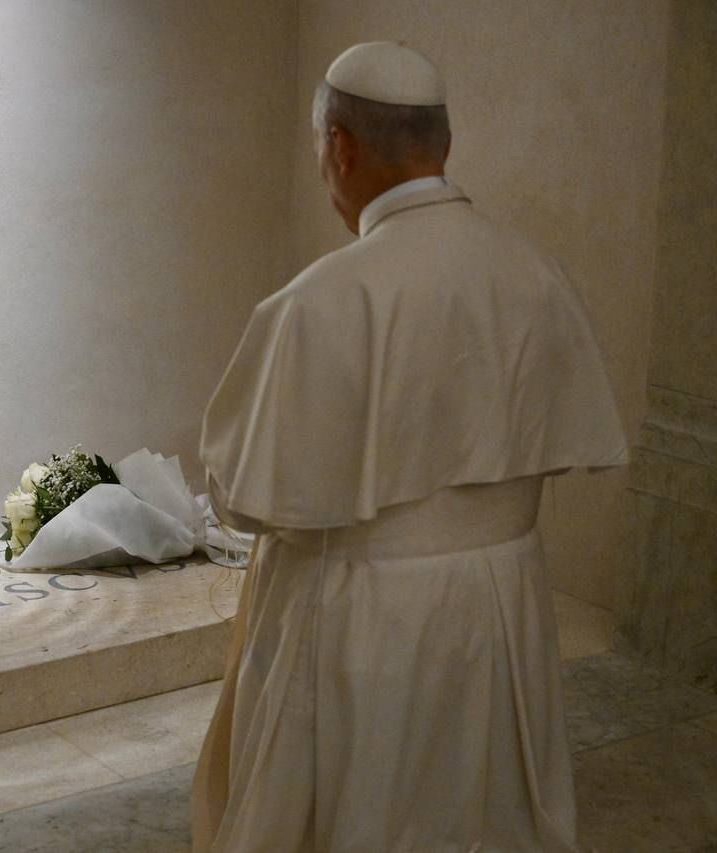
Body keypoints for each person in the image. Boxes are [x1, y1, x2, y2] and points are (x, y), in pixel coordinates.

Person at [191, 42, 627, 852]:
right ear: (442, 145)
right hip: (501, 604)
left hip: (360, 620)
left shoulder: (317, 302)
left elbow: (240, 495)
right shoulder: (537, 273)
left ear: (341, 147)